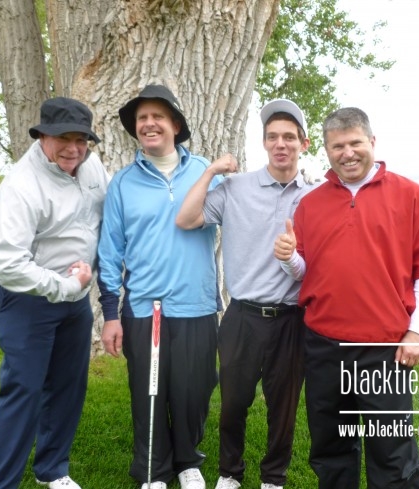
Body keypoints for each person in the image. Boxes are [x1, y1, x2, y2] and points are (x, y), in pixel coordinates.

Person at [274, 107, 419, 489]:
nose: (347, 153)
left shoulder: (411, 196)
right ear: (326, 150)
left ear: (372, 142)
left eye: (355, 143)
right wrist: (289, 257)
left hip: (384, 348)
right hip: (323, 345)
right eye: (337, 146)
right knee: (330, 447)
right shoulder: (311, 203)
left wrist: (417, 332)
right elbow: (306, 272)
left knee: (391, 451)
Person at [176, 99, 314, 489]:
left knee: (283, 407)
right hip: (242, 316)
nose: (280, 144)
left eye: (289, 137)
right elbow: (186, 219)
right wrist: (210, 171)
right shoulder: (235, 188)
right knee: (234, 403)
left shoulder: (315, 196)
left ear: (303, 144)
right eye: (273, 137)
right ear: (264, 142)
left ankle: (273, 478)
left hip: (291, 319)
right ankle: (230, 473)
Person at [0, 97, 110, 489]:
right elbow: (8, 264)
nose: (73, 149)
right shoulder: (20, 186)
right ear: (42, 137)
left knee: (68, 387)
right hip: (26, 298)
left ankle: (52, 469)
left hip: (75, 299)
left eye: (81, 140)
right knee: (24, 390)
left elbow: (105, 215)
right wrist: (67, 285)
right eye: (63, 139)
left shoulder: (92, 167)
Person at [97, 84, 224, 489]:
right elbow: (109, 252)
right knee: (149, 393)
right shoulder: (122, 183)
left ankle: (188, 461)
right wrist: (111, 315)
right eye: (142, 118)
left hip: (197, 303)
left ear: (176, 125)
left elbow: (241, 222)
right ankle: (153, 469)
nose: (149, 124)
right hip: (145, 309)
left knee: (194, 391)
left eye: (157, 117)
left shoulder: (206, 172)